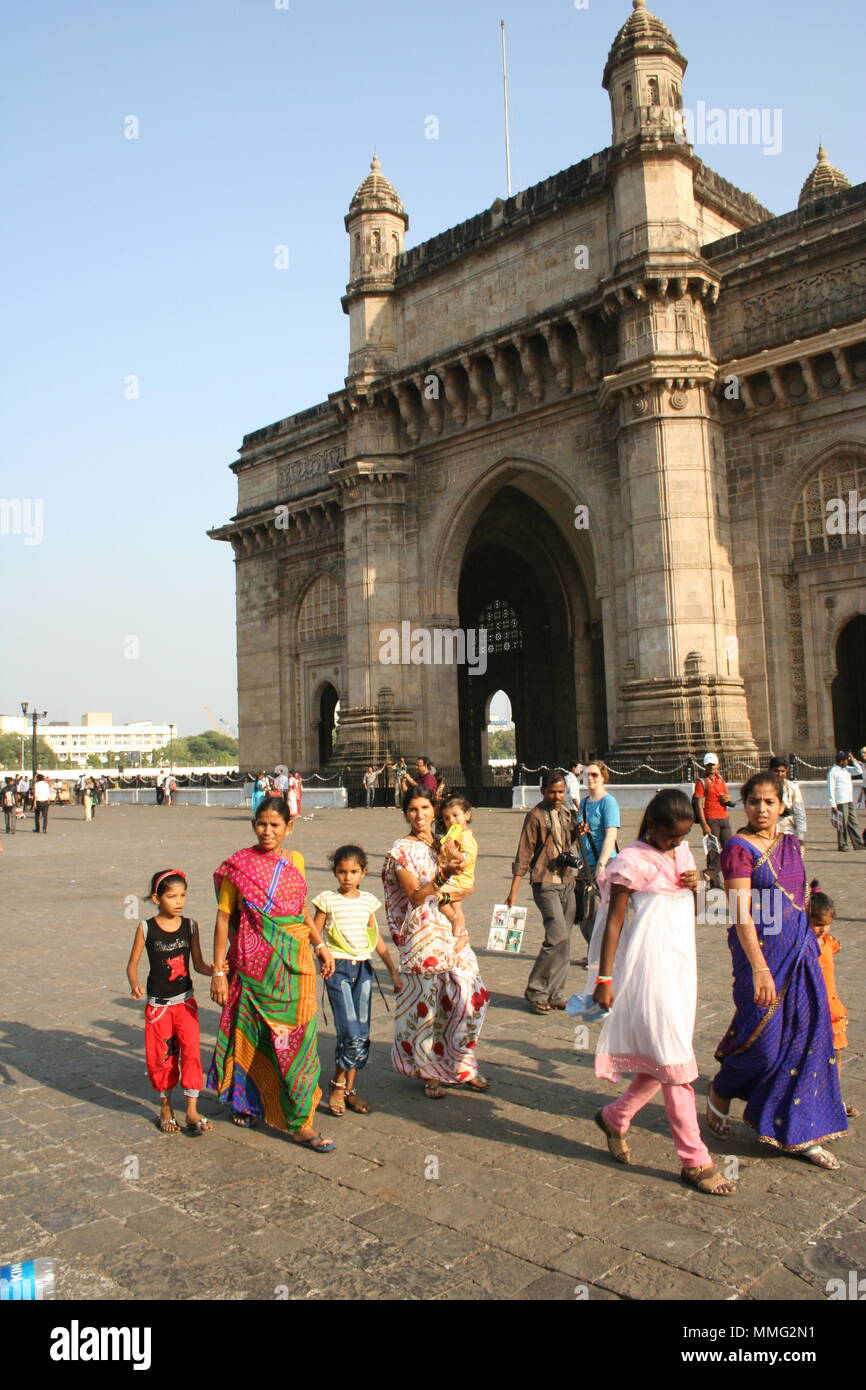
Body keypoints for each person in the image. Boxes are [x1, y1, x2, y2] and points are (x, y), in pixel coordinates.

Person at [590, 790, 735, 1196]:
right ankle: (694, 1159)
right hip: (648, 969)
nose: (675, 844)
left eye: (681, 837)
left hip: (680, 966)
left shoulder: (683, 853)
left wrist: (699, 883)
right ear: (652, 825)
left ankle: (615, 1116)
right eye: (671, 837)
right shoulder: (630, 861)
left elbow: (698, 908)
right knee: (676, 1063)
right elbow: (614, 924)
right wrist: (604, 980)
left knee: (667, 1059)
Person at [707, 773, 847, 1169]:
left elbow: (800, 901)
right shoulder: (738, 849)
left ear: (782, 805)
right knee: (765, 1045)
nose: (762, 809)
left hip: (800, 955)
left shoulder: (791, 845)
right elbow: (739, 912)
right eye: (754, 801)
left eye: (769, 802)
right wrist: (760, 969)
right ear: (744, 804)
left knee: (806, 1041)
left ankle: (801, 1131)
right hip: (761, 959)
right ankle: (721, 1089)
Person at [208, 794, 336, 1149]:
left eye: (275, 825)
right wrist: (219, 971)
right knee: (252, 1035)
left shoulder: (295, 861)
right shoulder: (239, 866)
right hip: (254, 968)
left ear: (288, 828)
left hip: (297, 966)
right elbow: (223, 919)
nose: (267, 831)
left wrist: (320, 945)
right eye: (261, 824)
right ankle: (246, 1100)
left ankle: (302, 1120)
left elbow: (301, 913)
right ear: (253, 826)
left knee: (301, 1041)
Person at [382, 787, 490, 1098]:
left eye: (425, 808)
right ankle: (429, 1071)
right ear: (406, 814)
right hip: (420, 933)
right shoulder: (400, 850)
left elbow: (453, 889)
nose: (420, 815)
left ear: (434, 810)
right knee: (426, 1005)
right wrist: (443, 875)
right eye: (413, 809)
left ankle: (461, 1063)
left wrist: (457, 915)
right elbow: (417, 895)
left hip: (447, 929)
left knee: (471, 995)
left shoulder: (443, 843)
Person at [312, 844, 403, 1116]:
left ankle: (350, 1089)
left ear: (363, 872)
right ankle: (337, 1085)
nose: (347, 877)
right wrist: (320, 955)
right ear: (335, 872)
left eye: (353, 871)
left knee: (362, 1033)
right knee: (349, 1031)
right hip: (337, 970)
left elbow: (377, 942)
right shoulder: (327, 899)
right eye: (342, 872)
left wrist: (393, 971)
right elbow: (314, 934)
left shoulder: (367, 902)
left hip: (363, 970)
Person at [126, 869, 214, 1135]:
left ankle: (191, 1109)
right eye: (172, 896)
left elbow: (198, 964)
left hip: (185, 1002)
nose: (179, 901)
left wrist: (218, 970)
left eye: (183, 895)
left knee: (191, 1053)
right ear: (156, 898)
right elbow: (132, 964)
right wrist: (134, 984)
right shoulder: (145, 928)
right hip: (159, 1007)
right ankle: (165, 1106)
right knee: (162, 1058)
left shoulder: (191, 926)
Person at [507, 768, 579, 1014]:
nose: (557, 797)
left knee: (566, 939)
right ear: (542, 791)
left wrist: (579, 833)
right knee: (556, 935)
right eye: (552, 792)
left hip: (567, 880)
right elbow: (524, 853)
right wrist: (514, 890)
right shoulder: (535, 816)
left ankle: (557, 992)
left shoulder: (567, 813)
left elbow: (568, 843)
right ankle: (536, 989)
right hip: (544, 881)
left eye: (561, 792)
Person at [809, 886, 857, 1119]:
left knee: (836, 1056)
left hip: (832, 1009)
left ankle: (834, 1098)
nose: (823, 929)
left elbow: (836, 946)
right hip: (812, 1011)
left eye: (827, 924)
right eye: (818, 924)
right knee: (813, 1057)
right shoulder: (803, 946)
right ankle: (812, 1098)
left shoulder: (828, 942)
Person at [435, 795, 478, 952]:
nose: (451, 821)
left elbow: (465, 860)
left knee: (437, 896)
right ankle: (460, 935)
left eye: (455, 815)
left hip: (460, 879)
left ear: (467, 815)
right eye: (447, 818)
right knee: (456, 908)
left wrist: (453, 850)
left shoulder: (467, 839)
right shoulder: (452, 836)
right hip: (452, 877)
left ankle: (456, 925)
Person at [693, 753, 734, 888]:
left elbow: (726, 795)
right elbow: (699, 804)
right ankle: (715, 883)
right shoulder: (701, 782)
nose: (711, 767)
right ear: (705, 766)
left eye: (713, 764)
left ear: (718, 765)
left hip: (724, 817)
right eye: (709, 765)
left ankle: (708, 873)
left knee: (729, 849)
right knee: (713, 852)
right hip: (710, 818)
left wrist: (727, 798)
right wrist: (704, 824)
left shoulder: (721, 779)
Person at [827, 751, 864, 852]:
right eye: (846, 760)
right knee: (842, 823)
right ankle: (843, 844)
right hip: (840, 801)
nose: (848, 761)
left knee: (853, 821)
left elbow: (859, 771)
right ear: (841, 761)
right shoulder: (833, 772)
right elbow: (831, 788)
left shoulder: (847, 769)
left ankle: (858, 844)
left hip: (849, 799)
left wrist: (853, 760)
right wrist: (833, 804)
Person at [768, 756, 807, 843]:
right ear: (770, 771)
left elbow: (799, 812)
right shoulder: (764, 787)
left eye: (782, 771)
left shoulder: (792, 788)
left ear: (786, 772)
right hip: (768, 831)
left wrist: (800, 836)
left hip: (787, 830)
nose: (779, 774)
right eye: (776, 771)